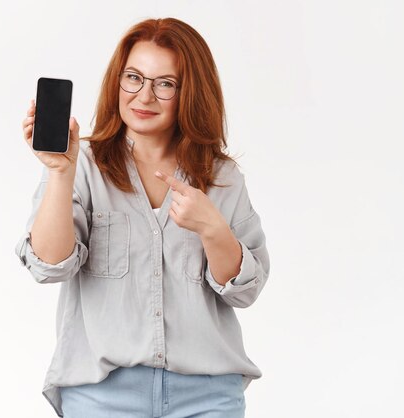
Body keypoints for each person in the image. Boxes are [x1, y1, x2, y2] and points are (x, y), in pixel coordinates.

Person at [15, 17, 270, 418]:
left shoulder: (221, 178)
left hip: (207, 395)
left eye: (165, 83)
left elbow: (244, 291)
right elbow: (49, 266)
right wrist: (59, 173)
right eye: (133, 77)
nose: (144, 96)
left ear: (191, 93)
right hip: (102, 394)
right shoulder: (82, 164)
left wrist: (212, 227)